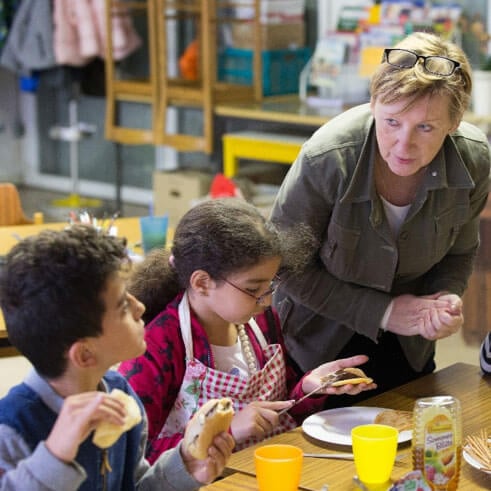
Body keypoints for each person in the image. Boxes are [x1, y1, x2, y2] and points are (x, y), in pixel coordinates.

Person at [269, 31, 491, 407]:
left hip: (409, 344)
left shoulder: (474, 159)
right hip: (317, 341)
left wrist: (446, 298)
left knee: (409, 450)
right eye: (391, 122)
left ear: (453, 123)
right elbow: (285, 268)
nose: (404, 145)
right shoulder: (327, 158)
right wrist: (385, 311)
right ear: (373, 103)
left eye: (425, 127)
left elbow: (459, 253)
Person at [119, 198, 376, 464]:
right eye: (253, 290)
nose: (266, 301)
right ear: (203, 282)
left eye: (270, 286)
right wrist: (226, 432)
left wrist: (309, 388)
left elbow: (281, 410)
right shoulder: (159, 344)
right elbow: (131, 455)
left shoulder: (262, 324)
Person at [0, 225, 234, 490]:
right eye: (123, 305)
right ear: (85, 354)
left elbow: (134, 485)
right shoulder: (10, 429)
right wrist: (56, 454)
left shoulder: (119, 392)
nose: (140, 307)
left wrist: (185, 467)